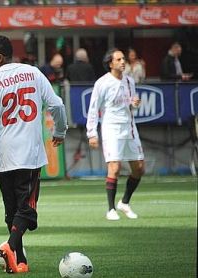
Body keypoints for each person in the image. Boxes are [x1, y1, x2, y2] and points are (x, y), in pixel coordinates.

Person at [0, 36, 67, 274]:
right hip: (30, 155)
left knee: (12, 211)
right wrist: (60, 130)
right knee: (27, 209)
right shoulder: (33, 73)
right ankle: (11, 247)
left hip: (4, 156)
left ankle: (20, 260)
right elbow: (57, 105)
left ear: (0, 57)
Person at [86, 48, 145, 221]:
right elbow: (93, 109)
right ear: (110, 63)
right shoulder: (102, 83)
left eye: (123, 59)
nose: (122, 62)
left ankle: (124, 202)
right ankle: (111, 209)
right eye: (118, 59)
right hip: (111, 128)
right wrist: (92, 133)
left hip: (130, 128)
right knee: (115, 167)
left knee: (139, 168)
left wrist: (135, 104)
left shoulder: (129, 81)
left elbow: (130, 103)